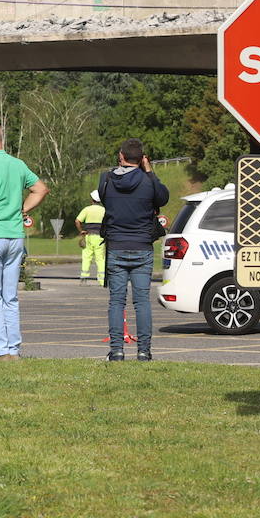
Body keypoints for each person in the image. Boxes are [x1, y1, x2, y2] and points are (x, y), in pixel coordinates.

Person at [0, 121, 49, 360]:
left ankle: (0, 350)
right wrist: (22, 210)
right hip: (15, 236)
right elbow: (41, 189)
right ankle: (13, 349)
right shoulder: (17, 164)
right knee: (10, 296)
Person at [98, 137, 170, 362]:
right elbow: (163, 198)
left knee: (116, 302)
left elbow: (104, 200)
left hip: (116, 246)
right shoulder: (149, 182)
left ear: (121, 156)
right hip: (142, 247)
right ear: (142, 159)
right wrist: (149, 171)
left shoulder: (106, 179)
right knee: (142, 302)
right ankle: (144, 351)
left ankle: (117, 351)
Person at [75, 190, 107, 286]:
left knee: (86, 257)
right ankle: (102, 280)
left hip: (88, 236)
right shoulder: (104, 210)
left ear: (92, 200)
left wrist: (81, 231)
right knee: (100, 259)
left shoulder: (87, 209)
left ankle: (84, 278)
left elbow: (77, 221)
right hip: (100, 237)